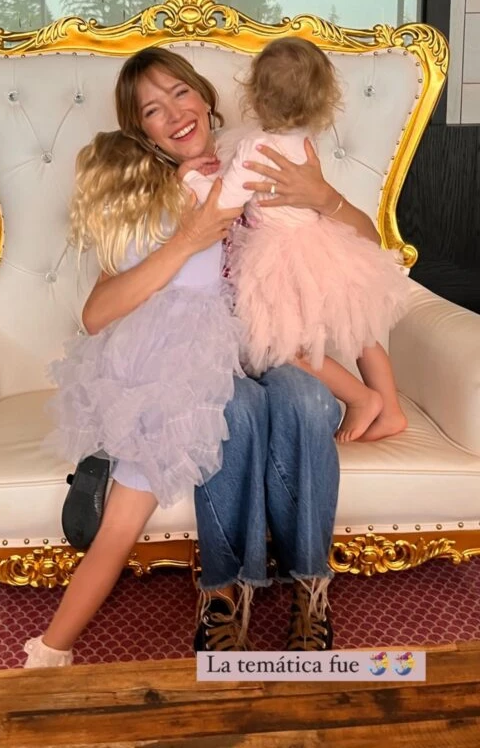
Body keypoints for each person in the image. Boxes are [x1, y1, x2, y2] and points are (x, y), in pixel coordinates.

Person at [21, 43, 375, 666]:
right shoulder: (152, 193)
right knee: (228, 415)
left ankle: (309, 591)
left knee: (305, 397)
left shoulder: (253, 156)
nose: (174, 113)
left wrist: (322, 196)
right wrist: (187, 237)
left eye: (180, 93)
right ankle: (215, 600)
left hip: (258, 337)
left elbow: (366, 250)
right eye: (152, 109)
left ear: (208, 98)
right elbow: (98, 312)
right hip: (194, 361)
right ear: (142, 132)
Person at [182, 37, 410, 443]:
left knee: (284, 347)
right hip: (323, 241)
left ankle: (361, 398)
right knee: (359, 324)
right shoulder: (304, 138)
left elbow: (225, 202)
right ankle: (391, 408)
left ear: (255, 96)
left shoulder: (254, 146)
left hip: (280, 255)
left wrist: (191, 179)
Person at [45, 129, 243, 511]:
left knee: (139, 416)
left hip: (125, 357)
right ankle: (118, 491)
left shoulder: (129, 230)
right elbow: (94, 314)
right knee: (174, 426)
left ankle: (107, 449)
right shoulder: (188, 209)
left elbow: (95, 318)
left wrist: (183, 176)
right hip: (185, 356)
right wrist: (189, 179)